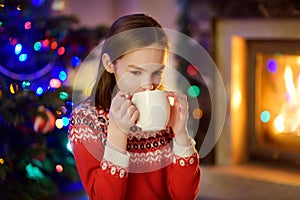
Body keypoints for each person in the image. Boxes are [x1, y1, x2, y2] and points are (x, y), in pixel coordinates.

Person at [69, 13, 200, 200]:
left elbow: (185, 196)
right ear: (109, 64)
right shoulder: (87, 120)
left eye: (157, 72)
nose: (148, 85)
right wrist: (117, 133)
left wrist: (181, 136)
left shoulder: (165, 113)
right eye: (136, 72)